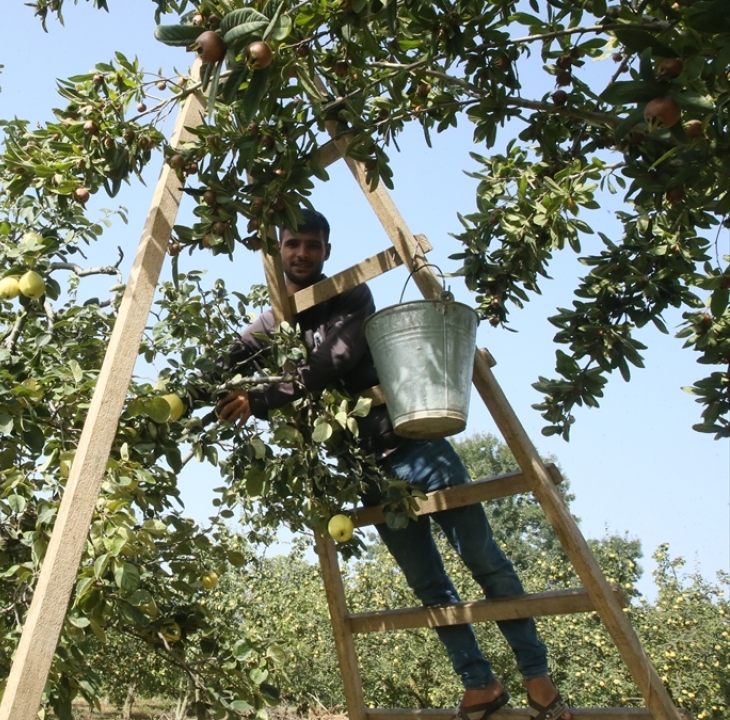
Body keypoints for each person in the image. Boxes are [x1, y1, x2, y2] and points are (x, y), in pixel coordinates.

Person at [209, 210, 571, 720]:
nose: (301, 254)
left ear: (327, 252)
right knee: (427, 583)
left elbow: (329, 363)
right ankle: (479, 684)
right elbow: (240, 351)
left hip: (416, 449)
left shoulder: (351, 295)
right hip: (366, 470)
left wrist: (260, 398)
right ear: (279, 250)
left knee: (483, 558)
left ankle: (538, 679)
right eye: (293, 244)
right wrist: (196, 385)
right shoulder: (278, 317)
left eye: (312, 245)